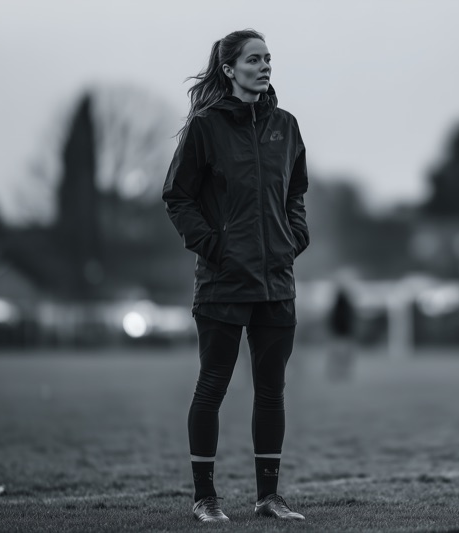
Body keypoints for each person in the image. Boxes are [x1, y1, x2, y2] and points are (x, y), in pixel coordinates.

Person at [162, 29, 308, 522]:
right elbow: (177, 197)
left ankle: (269, 498)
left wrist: (294, 239)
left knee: (271, 391)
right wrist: (214, 247)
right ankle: (205, 499)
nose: (264, 66)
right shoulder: (205, 127)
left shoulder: (286, 126)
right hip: (223, 282)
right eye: (253, 59)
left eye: (268, 58)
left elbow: (295, 193)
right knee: (212, 388)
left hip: (276, 282)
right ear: (229, 69)